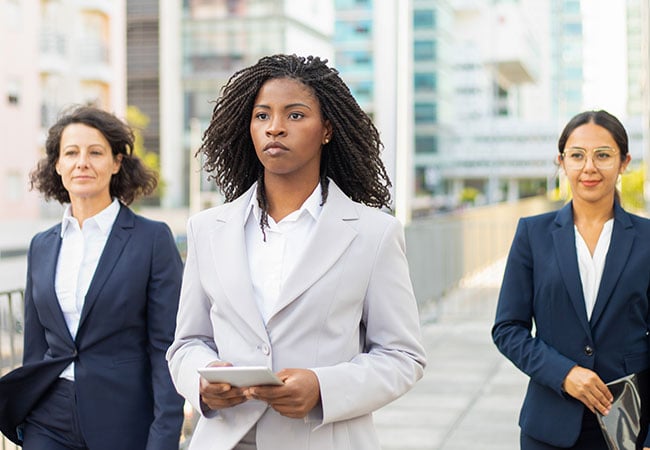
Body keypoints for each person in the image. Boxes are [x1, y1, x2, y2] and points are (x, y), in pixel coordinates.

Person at [166, 53, 426, 450]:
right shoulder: (207, 229)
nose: (275, 128)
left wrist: (324, 388)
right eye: (262, 116)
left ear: (327, 130)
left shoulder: (374, 234)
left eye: (295, 115)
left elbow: (402, 356)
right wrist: (202, 382)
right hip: (225, 439)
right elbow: (187, 343)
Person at [0, 105, 185, 449]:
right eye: (71, 153)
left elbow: (166, 349)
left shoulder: (152, 239)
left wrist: (163, 438)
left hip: (123, 419)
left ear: (116, 163)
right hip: (47, 420)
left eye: (95, 152)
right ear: (57, 165)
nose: (82, 162)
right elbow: (36, 349)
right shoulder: (41, 245)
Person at [492, 110, 650, 449]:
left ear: (624, 162)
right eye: (577, 155)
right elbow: (507, 328)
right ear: (562, 161)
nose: (589, 167)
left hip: (630, 427)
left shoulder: (647, 239)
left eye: (603, 155)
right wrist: (564, 374)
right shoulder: (532, 234)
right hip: (548, 426)